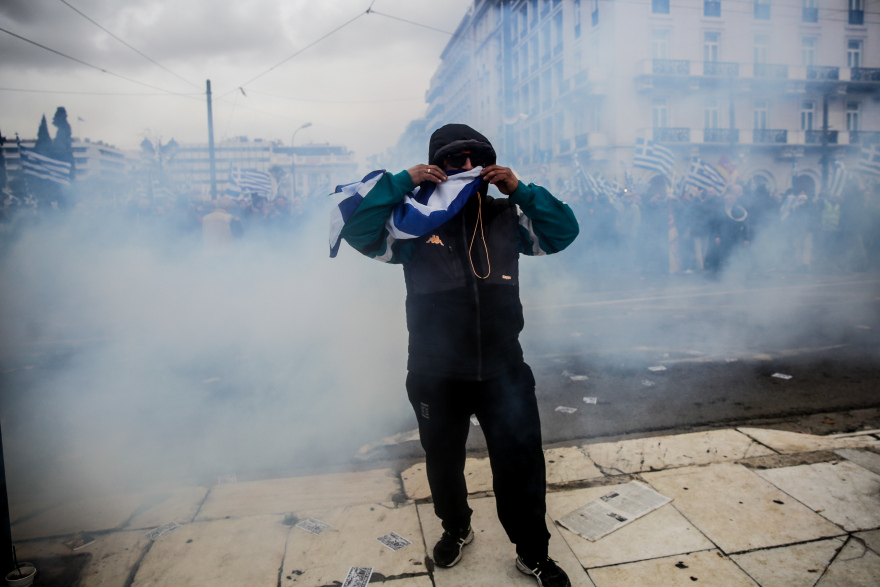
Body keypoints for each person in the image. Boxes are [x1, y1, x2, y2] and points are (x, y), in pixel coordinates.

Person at [338, 124, 578, 587]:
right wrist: (403, 181)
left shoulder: (507, 216)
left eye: (476, 158)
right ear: (436, 168)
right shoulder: (411, 224)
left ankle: (532, 552)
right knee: (442, 460)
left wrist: (520, 189)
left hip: (504, 369)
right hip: (435, 370)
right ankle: (457, 527)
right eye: (454, 160)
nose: (466, 168)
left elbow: (564, 232)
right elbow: (359, 232)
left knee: (522, 462)